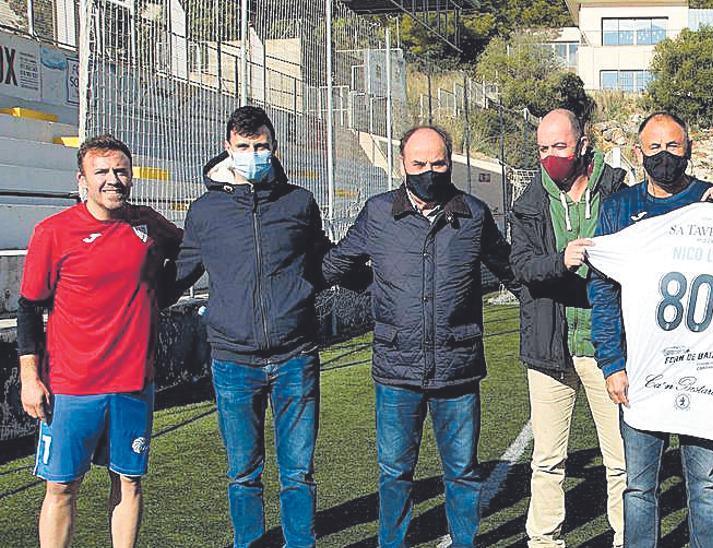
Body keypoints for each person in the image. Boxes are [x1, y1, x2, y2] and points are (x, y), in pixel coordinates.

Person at [172, 105, 365, 548]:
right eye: (244, 147)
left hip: (295, 355)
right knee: (243, 472)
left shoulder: (298, 202)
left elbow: (321, 261)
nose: (253, 154)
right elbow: (178, 273)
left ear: (274, 147)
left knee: (298, 472)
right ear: (227, 148)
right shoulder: (204, 211)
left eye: (261, 146)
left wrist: (376, 276)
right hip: (233, 362)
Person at [322, 125, 516, 548]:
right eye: (419, 164)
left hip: (458, 369)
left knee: (462, 471)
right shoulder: (377, 213)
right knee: (394, 473)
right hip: (396, 371)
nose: (429, 172)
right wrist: (378, 287)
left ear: (450, 162)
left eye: (438, 164)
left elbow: (511, 271)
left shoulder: (473, 214)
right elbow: (336, 265)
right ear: (402, 165)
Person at [588, 111, 713, 548]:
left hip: (703, 369)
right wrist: (612, 362)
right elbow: (602, 289)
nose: (664, 156)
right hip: (640, 371)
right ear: (639, 153)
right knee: (639, 486)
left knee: (706, 481)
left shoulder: (712, 201)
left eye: (673, 146)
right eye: (654, 147)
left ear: (689, 149)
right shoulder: (619, 207)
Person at [17, 134, 181, 548]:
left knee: (129, 481)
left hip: (133, 384)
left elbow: (191, 251)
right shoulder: (53, 232)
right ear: (82, 180)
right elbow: (29, 309)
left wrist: (163, 290)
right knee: (61, 488)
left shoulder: (148, 225)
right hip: (71, 387)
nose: (113, 180)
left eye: (121, 170)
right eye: (102, 172)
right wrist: (29, 378)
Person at [511, 108, 628, 548]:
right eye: (542, 149)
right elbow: (521, 265)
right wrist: (560, 261)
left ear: (582, 144)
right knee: (547, 459)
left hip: (607, 348)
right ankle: (544, 540)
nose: (550, 157)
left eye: (559, 147)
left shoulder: (618, 190)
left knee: (620, 458)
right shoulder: (529, 203)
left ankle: (626, 537)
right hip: (549, 345)